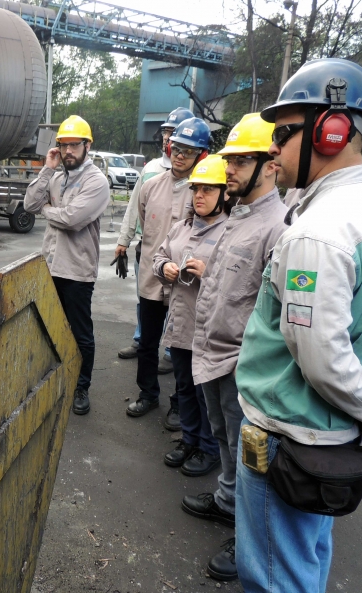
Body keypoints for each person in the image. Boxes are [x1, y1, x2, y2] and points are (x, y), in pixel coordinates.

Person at [235, 58, 362, 592]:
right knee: (305, 561)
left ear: (332, 129)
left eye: (283, 133)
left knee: (276, 576)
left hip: (285, 435)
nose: (272, 148)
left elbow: (320, 354)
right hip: (328, 437)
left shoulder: (318, 233)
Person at [181, 113, 287, 582]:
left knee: (251, 455)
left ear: (270, 165)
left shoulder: (279, 228)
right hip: (213, 352)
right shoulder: (238, 217)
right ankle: (227, 502)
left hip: (242, 363)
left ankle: (249, 535)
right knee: (224, 438)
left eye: (242, 161)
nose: (230, 170)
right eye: (229, 160)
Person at [126, 117, 211, 430]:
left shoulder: (205, 191)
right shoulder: (150, 187)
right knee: (148, 343)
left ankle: (179, 404)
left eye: (188, 152)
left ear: (201, 155)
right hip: (152, 278)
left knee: (181, 348)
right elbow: (143, 223)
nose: (179, 156)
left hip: (185, 286)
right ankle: (148, 393)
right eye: (177, 148)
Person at [24, 115, 110, 415]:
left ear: (88, 146)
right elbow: (29, 204)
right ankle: (53, 375)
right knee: (48, 326)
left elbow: (72, 220)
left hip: (76, 270)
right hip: (50, 266)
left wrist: (49, 209)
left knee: (81, 331)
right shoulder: (57, 177)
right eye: (63, 145)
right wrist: (47, 169)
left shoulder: (96, 181)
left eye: (74, 145)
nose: (68, 151)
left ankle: (81, 386)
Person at [153, 154, 227, 476]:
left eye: (208, 190)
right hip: (181, 324)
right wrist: (164, 267)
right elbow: (158, 254)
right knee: (184, 387)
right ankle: (189, 438)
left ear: (224, 194)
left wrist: (209, 272)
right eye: (196, 189)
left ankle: (208, 449)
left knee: (205, 392)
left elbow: (240, 280)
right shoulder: (181, 228)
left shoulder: (230, 232)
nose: (199, 195)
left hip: (209, 329)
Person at [116, 107, 195, 377]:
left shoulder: (201, 181)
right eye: (166, 133)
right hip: (150, 254)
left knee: (180, 318)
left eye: (174, 133)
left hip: (183, 266)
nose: (168, 139)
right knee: (146, 300)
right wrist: (124, 240)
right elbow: (135, 210)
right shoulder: (151, 171)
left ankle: (172, 353)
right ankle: (142, 341)